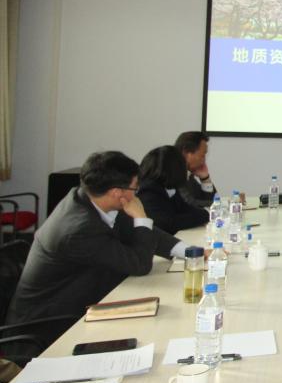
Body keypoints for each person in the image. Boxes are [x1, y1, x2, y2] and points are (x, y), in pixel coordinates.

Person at [4, 151, 194, 352]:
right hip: (47, 330)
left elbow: (138, 230)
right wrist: (141, 218)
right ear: (117, 192)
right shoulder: (79, 229)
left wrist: (192, 252)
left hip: (80, 303)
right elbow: (139, 264)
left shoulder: (88, 198)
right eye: (135, 188)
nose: (137, 194)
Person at [137, 145, 210, 235]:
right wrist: (205, 216)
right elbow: (169, 223)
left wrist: (207, 214)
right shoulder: (148, 191)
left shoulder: (167, 187)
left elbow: (185, 208)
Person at [175, 131, 217, 208]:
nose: (204, 160)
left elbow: (206, 201)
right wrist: (222, 203)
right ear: (186, 153)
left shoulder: (188, 174)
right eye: (202, 155)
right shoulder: (172, 173)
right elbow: (189, 204)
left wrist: (205, 178)